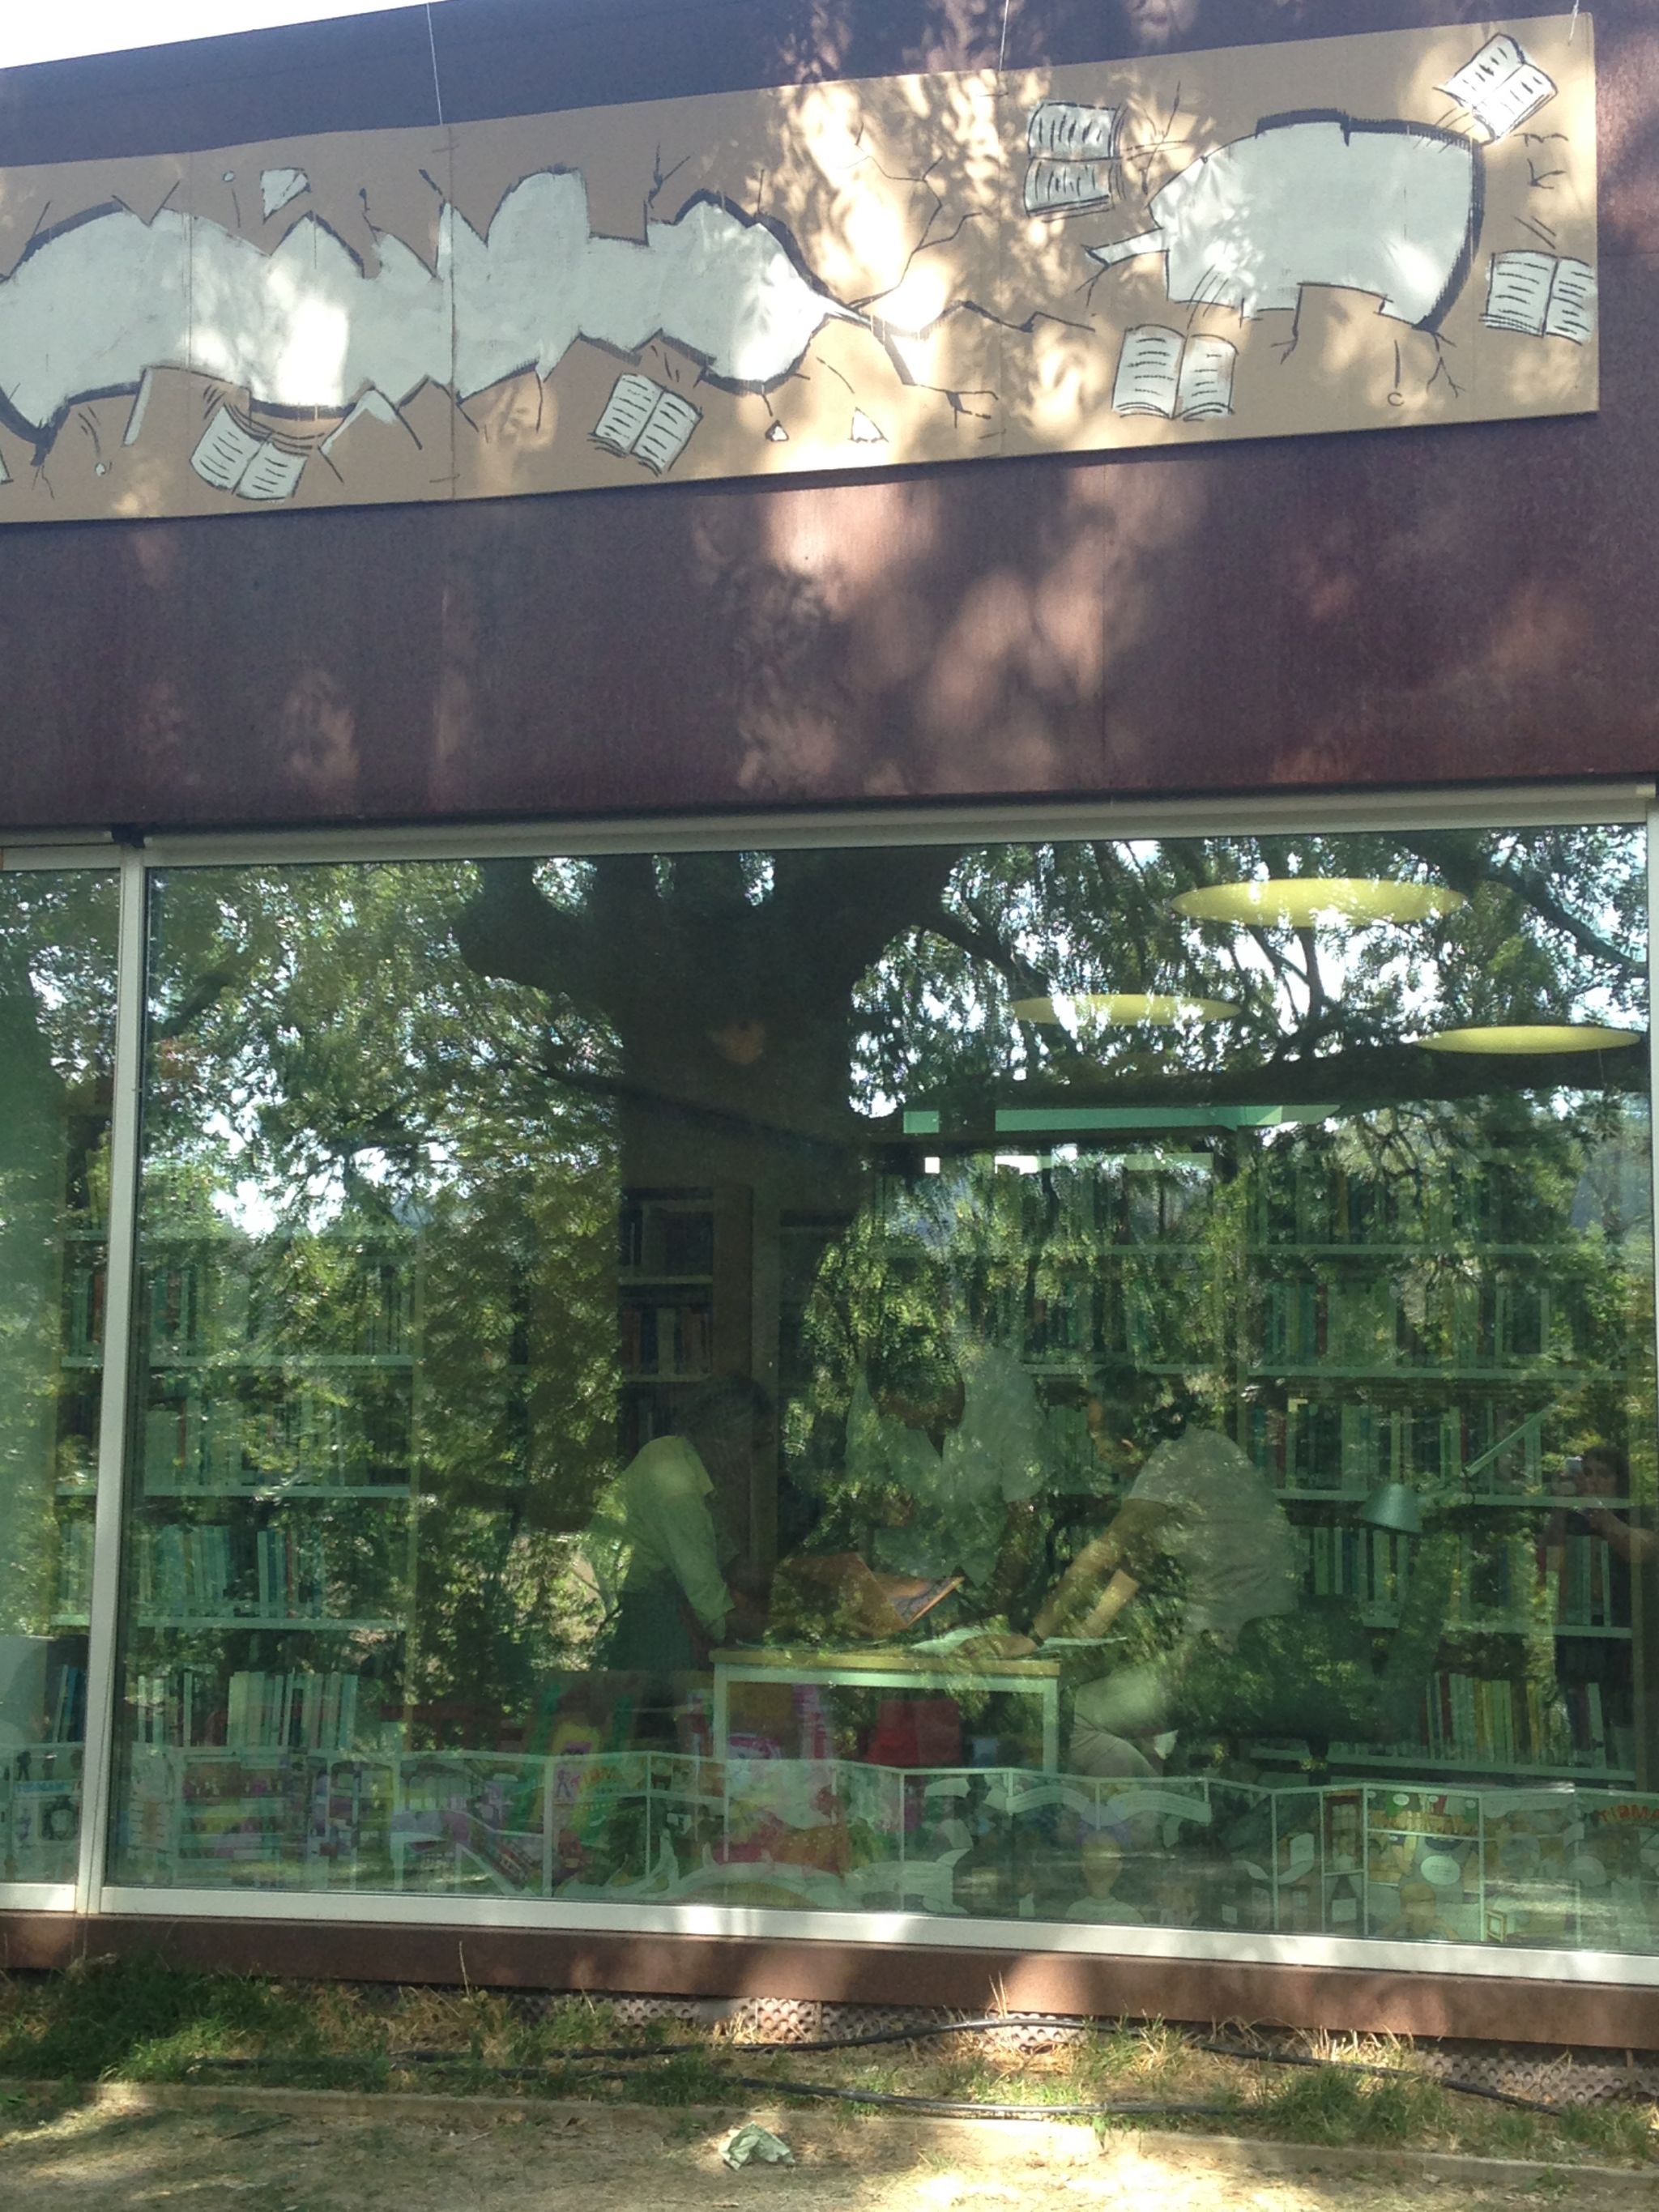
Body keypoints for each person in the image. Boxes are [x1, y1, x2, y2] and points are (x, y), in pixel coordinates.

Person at [841, 1331, 1046, 1595]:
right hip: (906, 1575)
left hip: (994, 1569)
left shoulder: (1005, 1391)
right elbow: (856, 1487)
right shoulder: (875, 1390)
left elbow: (1025, 1515)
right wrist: (879, 1504)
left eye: (904, 1416)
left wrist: (998, 1605)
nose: (892, 1419)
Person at [593, 1376, 772, 1674]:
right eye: (756, 1444)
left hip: (650, 1615)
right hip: (646, 1626)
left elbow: (731, 1565)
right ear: (725, 1437)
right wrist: (790, 1631)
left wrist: (800, 1581)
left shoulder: (676, 1456)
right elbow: (716, 1617)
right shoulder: (677, 1491)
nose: (759, 1459)